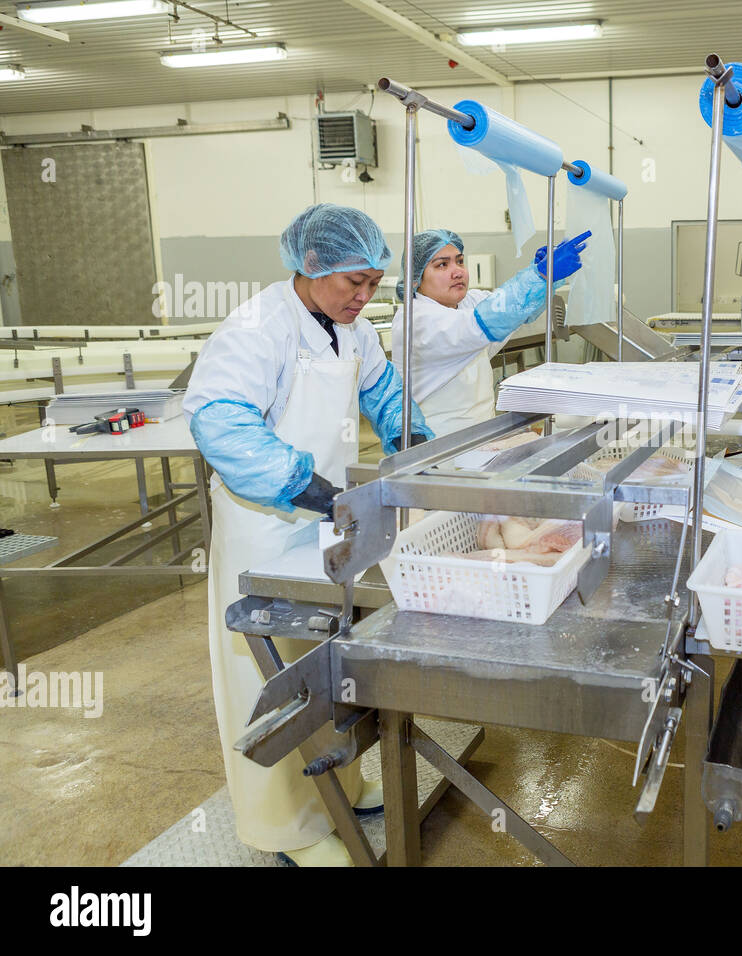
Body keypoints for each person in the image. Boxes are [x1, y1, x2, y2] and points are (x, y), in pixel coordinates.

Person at [184, 203, 434, 867]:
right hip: (263, 524)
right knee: (266, 678)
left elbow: (385, 396)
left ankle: (340, 786)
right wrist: (309, 489)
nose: (364, 295)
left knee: (324, 661)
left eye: (375, 283)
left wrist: (422, 447)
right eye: (354, 281)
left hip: (324, 522)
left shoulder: (355, 329)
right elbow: (220, 425)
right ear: (310, 264)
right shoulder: (256, 329)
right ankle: (284, 828)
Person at [391, 228, 590, 436]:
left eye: (459, 261)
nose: (457, 271)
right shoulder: (416, 319)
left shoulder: (468, 302)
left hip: (481, 436)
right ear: (415, 279)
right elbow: (485, 321)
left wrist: (541, 279)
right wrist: (539, 276)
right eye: (442, 265)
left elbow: (516, 311)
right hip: (436, 443)